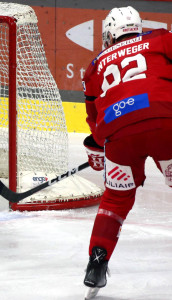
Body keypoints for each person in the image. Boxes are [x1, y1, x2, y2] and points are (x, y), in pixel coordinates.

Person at [81, 6, 172, 298]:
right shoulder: (161, 39)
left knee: (116, 200)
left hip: (119, 134)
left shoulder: (94, 66)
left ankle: (96, 263)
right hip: (164, 121)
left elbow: (95, 124)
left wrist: (96, 145)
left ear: (109, 35)